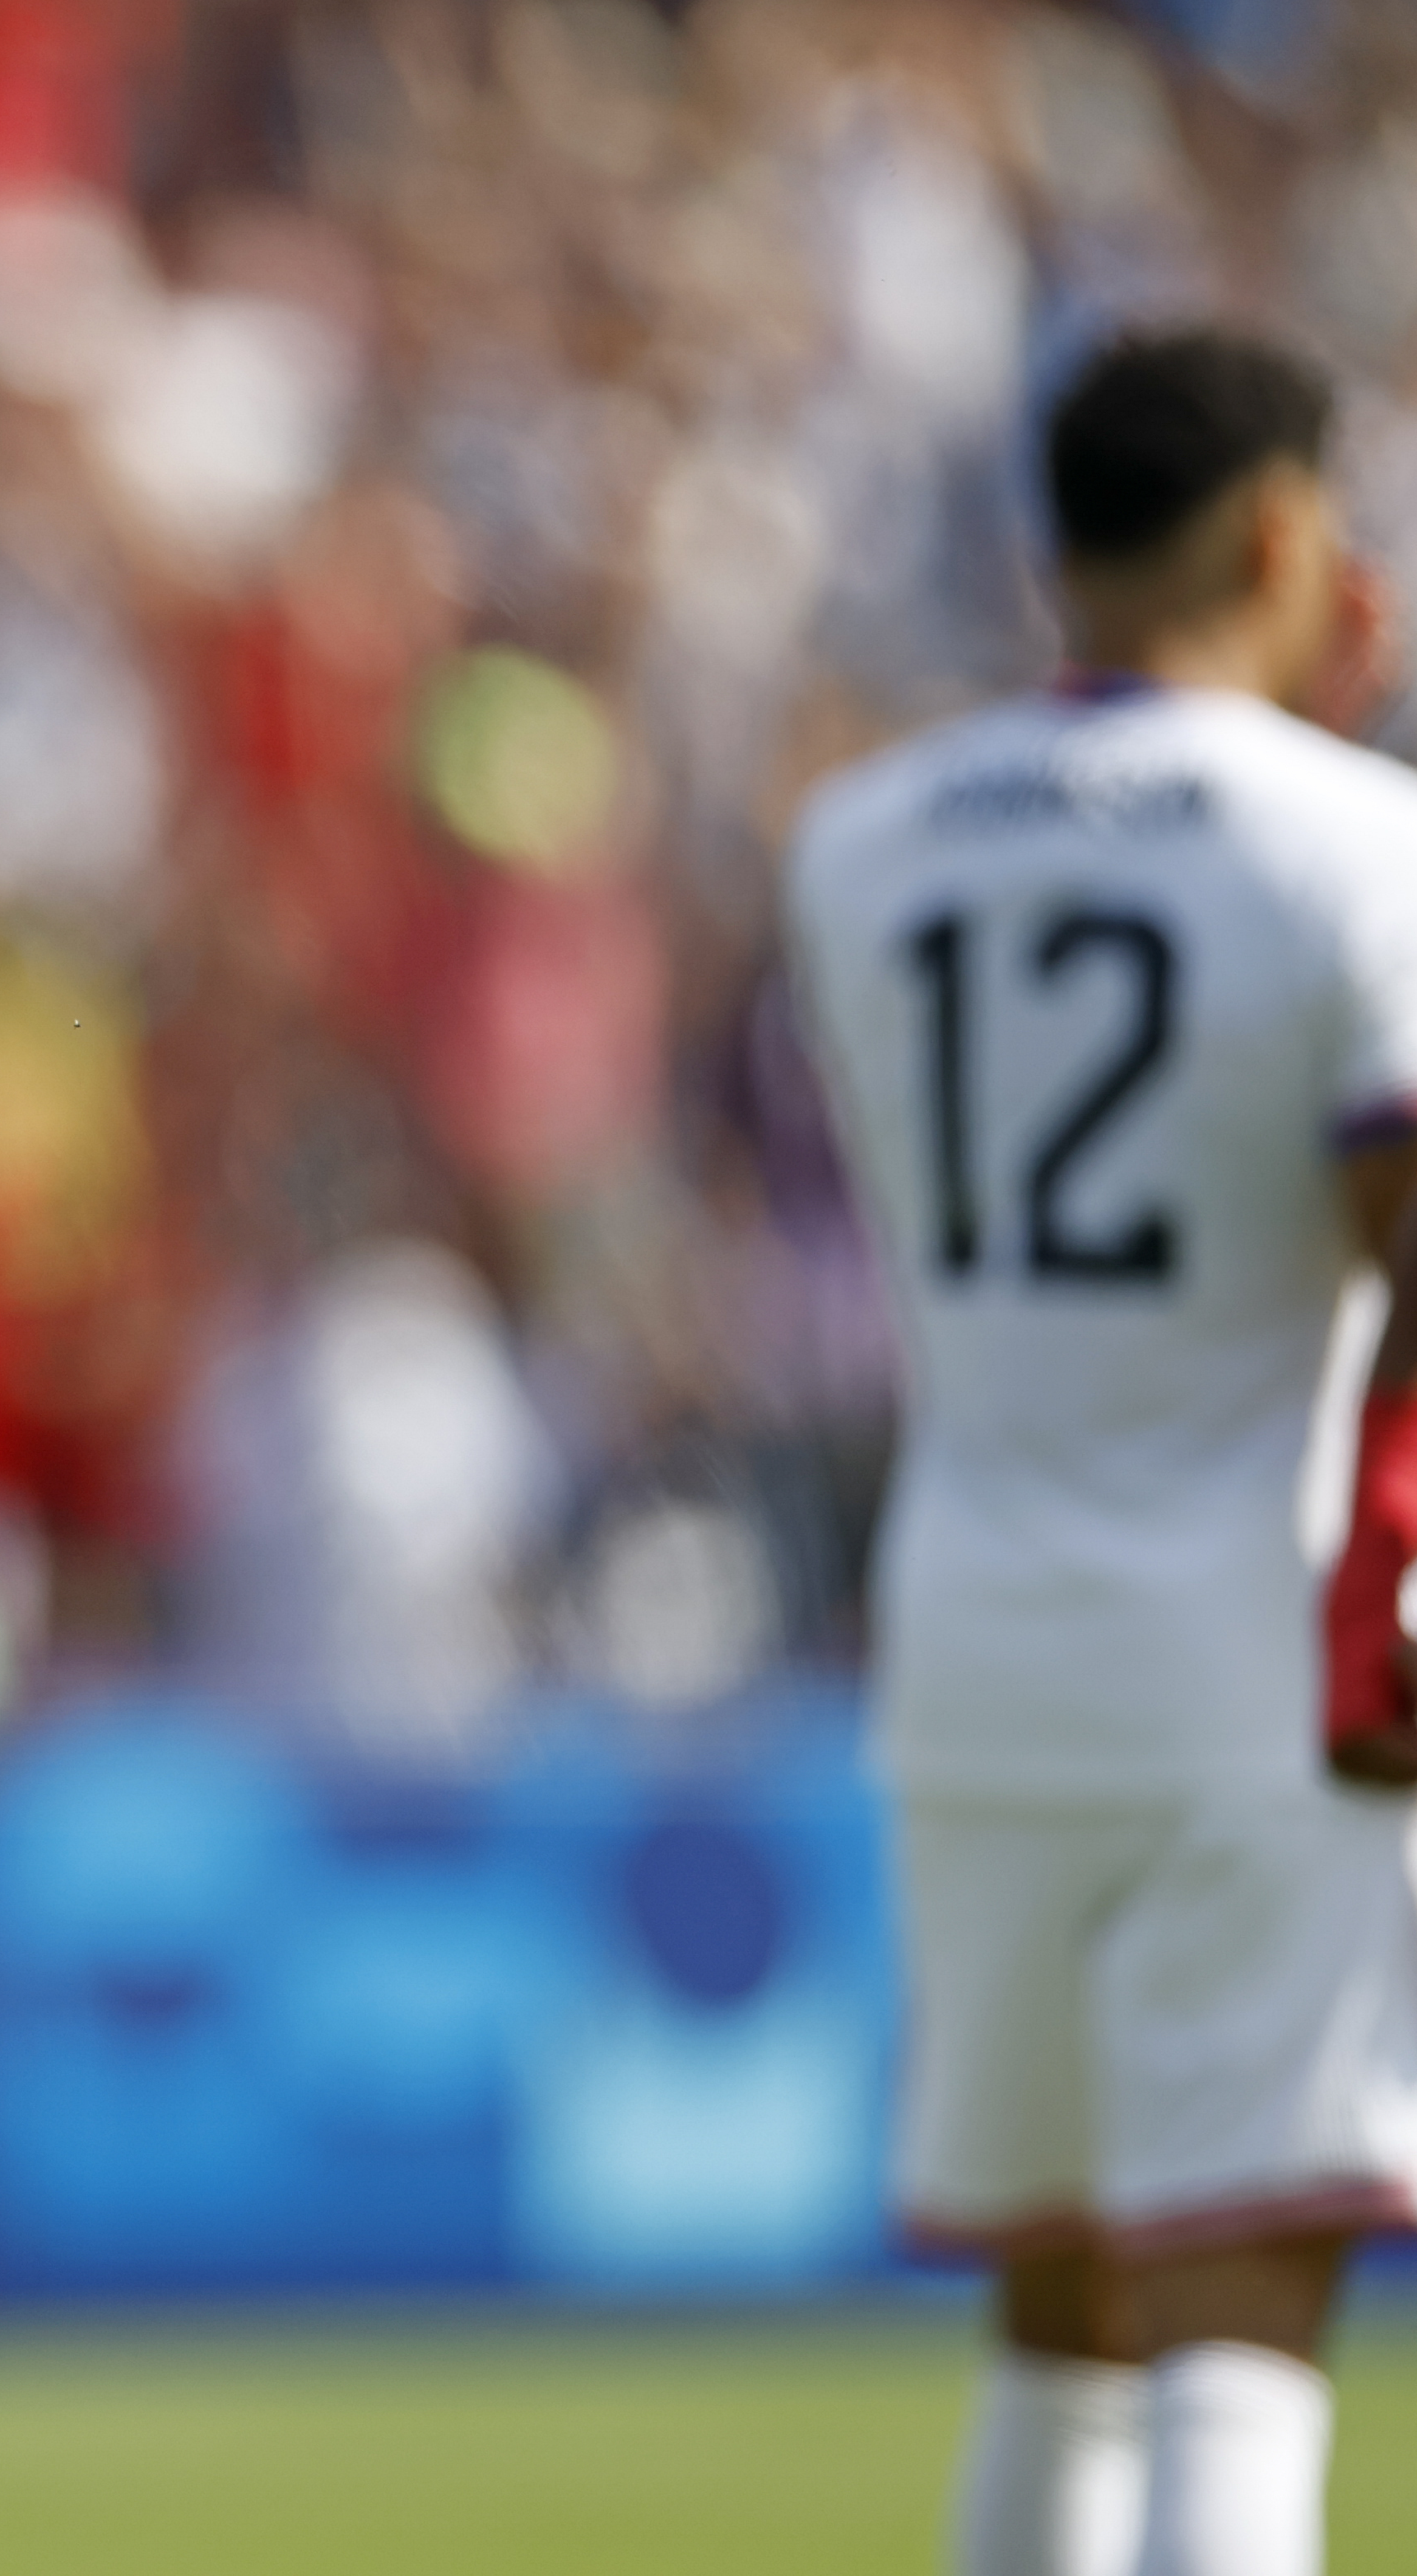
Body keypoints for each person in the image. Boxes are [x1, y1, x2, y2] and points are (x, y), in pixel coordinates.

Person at [788, 323, 1417, 2576]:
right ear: (1281, 530)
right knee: (1246, 2285)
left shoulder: (863, 838)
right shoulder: (1360, 843)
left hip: (974, 1621)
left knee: (1062, 2301)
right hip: (1268, 1622)